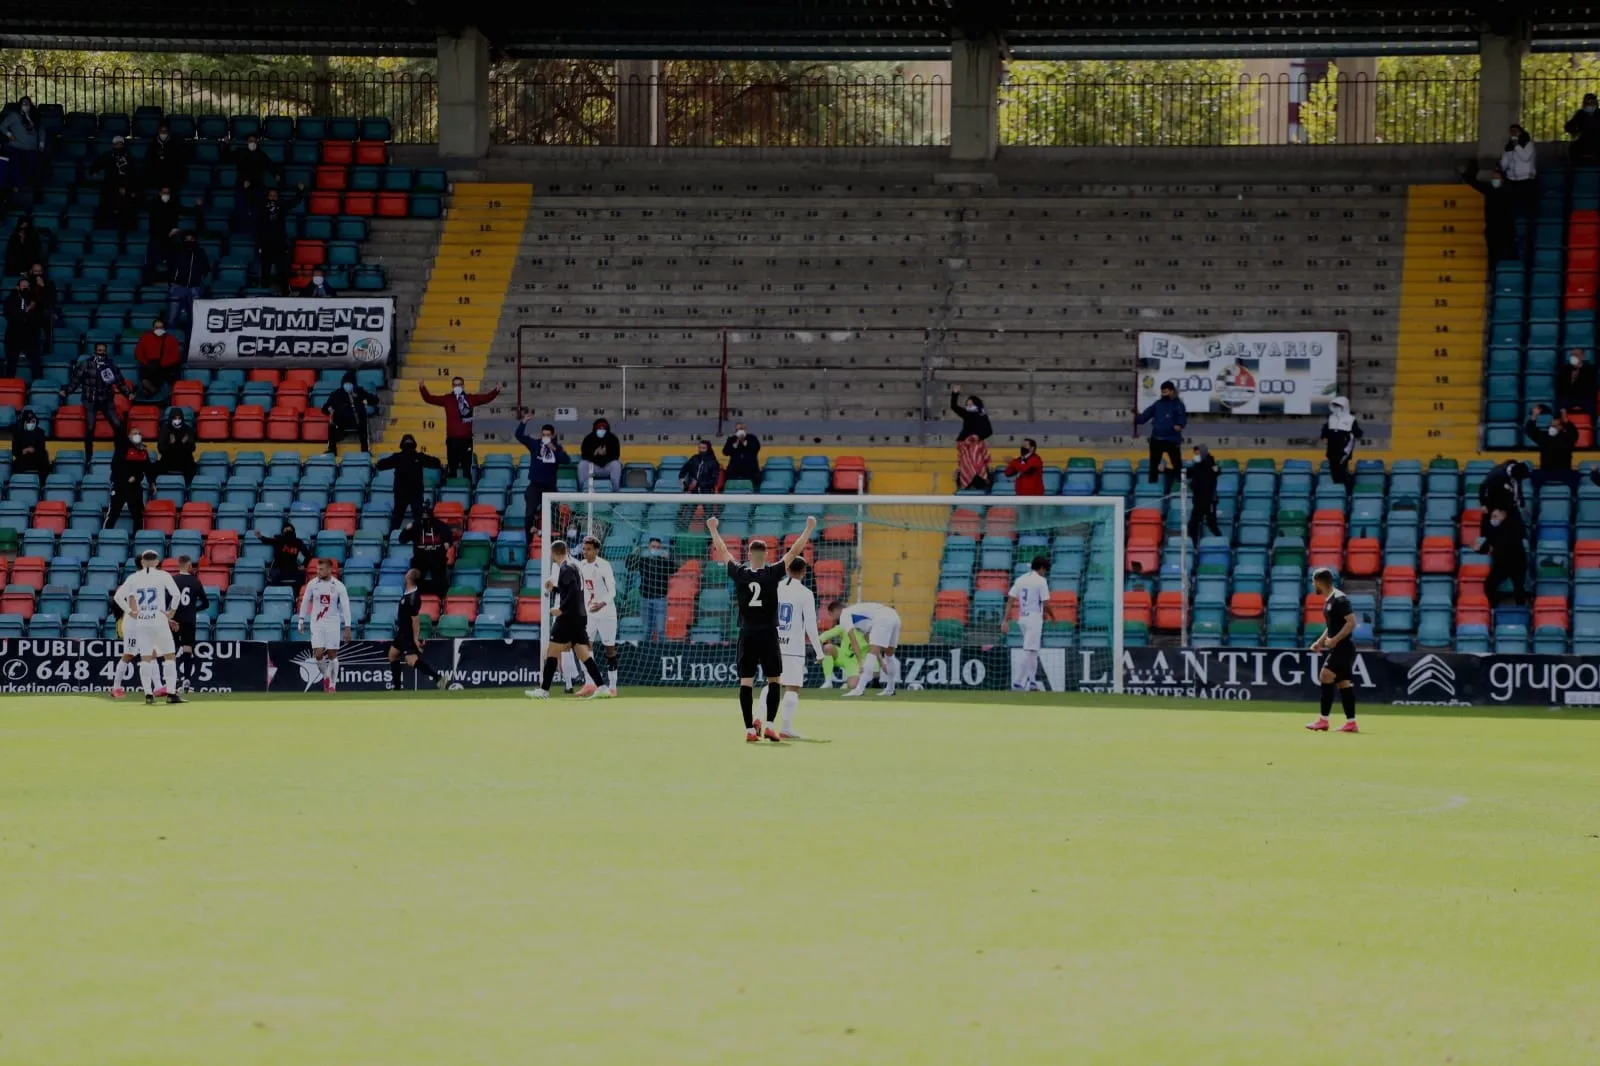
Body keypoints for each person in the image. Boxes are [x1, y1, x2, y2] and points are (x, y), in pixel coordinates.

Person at [706, 514, 817, 741]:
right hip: (768, 634)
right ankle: (768, 725)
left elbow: (722, 550)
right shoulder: (772, 573)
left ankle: (749, 729)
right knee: (774, 680)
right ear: (766, 555)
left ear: (748, 555)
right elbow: (794, 552)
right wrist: (809, 529)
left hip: (747, 634)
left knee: (746, 682)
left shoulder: (740, 573)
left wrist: (713, 529)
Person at [525, 540, 611, 700]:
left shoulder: (566, 568)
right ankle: (602, 686)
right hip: (578, 617)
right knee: (584, 654)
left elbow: (572, 593)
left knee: (552, 651)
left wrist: (560, 610)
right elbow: (572, 590)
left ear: (554, 553)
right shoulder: (574, 567)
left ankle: (544, 690)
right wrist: (555, 589)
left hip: (567, 618)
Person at [113, 549, 184, 705]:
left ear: (143, 562)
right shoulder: (163, 575)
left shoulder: (133, 578)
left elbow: (118, 597)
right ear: (157, 562)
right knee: (169, 656)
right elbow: (176, 594)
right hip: (158, 619)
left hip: (142, 620)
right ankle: (171, 693)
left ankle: (148, 694)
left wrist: (130, 611)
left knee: (145, 658)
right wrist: (171, 611)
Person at [775, 557, 826, 739]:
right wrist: (819, 652)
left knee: (772, 683)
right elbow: (811, 625)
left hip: (773, 643)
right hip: (794, 646)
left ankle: (759, 720)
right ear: (804, 572)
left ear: (787, 569)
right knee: (792, 687)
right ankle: (786, 727)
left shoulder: (775, 587)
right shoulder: (805, 593)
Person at [1305, 568, 1358, 733]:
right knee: (1343, 684)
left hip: (1343, 648)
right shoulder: (1330, 600)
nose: (1313, 585)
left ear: (1319, 582)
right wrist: (1320, 642)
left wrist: (1334, 640)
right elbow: (1332, 627)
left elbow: (1351, 623)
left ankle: (1323, 720)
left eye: (1314, 582)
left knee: (1325, 675)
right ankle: (1351, 723)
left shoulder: (1340, 599)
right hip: (1341, 647)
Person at [419, 377, 499, 484]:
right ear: (452, 386)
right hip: (452, 441)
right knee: (452, 470)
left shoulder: (470, 399)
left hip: (466, 441)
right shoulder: (447, 399)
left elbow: (486, 398)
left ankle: (467, 493)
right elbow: (429, 399)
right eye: (455, 385)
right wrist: (422, 388)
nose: (457, 387)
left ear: (463, 386)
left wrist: (496, 390)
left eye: (459, 384)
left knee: (467, 471)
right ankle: (450, 494)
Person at [61, 343, 133, 459]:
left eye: (103, 351)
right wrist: (67, 391)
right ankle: (89, 456)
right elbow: (75, 381)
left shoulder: (110, 365)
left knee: (118, 425)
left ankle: (119, 453)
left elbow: (120, 382)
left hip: (107, 400)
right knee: (90, 428)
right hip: (90, 401)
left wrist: (128, 394)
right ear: (95, 351)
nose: (101, 353)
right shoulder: (85, 364)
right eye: (99, 350)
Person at [299, 558, 353, 693]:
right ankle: (326, 677)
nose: (318, 571)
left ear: (330, 570)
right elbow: (305, 602)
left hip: (333, 623)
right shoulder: (312, 584)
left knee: (332, 654)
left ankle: (332, 685)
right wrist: (301, 619)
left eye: (321, 569)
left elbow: (346, 607)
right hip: (317, 622)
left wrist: (347, 626)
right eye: (317, 569)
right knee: (318, 654)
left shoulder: (339, 586)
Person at [389, 568, 444, 691]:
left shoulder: (413, 597)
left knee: (411, 660)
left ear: (409, 577)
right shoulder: (408, 591)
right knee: (392, 655)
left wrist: (414, 638)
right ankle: (397, 688)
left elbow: (415, 620)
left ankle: (438, 678)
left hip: (407, 633)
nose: (406, 573)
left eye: (408, 572)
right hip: (401, 631)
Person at [578, 535, 620, 695]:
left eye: (588, 549)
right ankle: (590, 683)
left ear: (596, 550)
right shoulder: (581, 565)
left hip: (606, 613)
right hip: (590, 613)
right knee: (585, 645)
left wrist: (602, 603)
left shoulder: (604, 565)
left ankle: (613, 686)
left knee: (609, 649)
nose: (585, 552)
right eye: (584, 549)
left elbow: (612, 591)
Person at [838, 600, 905, 699]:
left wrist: (860, 662)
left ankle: (859, 689)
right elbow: (868, 638)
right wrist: (881, 662)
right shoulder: (860, 614)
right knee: (889, 655)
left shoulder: (844, 614)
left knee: (871, 654)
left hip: (882, 618)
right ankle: (890, 689)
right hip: (894, 616)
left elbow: (853, 641)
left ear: (835, 611)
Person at [1004, 555, 1052, 692]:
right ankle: (1017, 682)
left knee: (1033, 651)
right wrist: (1053, 617)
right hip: (1034, 619)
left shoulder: (1020, 579)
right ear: (1042, 568)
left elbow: (1010, 600)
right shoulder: (1041, 581)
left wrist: (1005, 620)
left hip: (1023, 618)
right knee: (1029, 649)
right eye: (1045, 570)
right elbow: (1046, 603)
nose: (1045, 572)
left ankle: (1032, 682)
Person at [515, 416, 569, 535]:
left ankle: (557, 540)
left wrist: (553, 448)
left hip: (550, 487)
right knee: (529, 514)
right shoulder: (535, 444)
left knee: (554, 516)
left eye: (548, 435)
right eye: (544, 434)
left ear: (553, 435)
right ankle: (528, 542)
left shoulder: (557, 448)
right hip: (535, 485)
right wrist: (523, 422)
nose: (546, 437)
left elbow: (566, 460)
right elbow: (519, 436)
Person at [377, 434, 442, 532]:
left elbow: (436, 463)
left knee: (413, 517)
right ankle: (395, 537)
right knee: (399, 518)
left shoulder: (412, 457)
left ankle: (416, 537)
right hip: (404, 493)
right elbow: (381, 465)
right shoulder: (401, 457)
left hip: (413, 493)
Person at [1135, 379, 1187, 491]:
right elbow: (1144, 417)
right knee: (1153, 467)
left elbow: (1180, 423)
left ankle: (1180, 488)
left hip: (1172, 440)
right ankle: (1152, 489)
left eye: (1166, 392)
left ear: (1172, 391)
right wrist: (1136, 416)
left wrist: (1174, 427)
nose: (1164, 394)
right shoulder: (1157, 404)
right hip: (1157, 439)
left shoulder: (1178, 405)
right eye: (1162, 392)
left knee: (1177, 466)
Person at [254, 183, 305, 294]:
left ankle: (285, 292)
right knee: (265, 269)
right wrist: (247, 190)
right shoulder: (261, 206)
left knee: (282, 270)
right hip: (265, 243)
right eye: (270, 195)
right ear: (267, 196)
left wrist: (300, 192)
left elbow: (293, 202)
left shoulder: (282, 206)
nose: (272, 197)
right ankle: (263, 292)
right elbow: (251, 200)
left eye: (275, 195)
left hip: (279, 243)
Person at [1461, 164, 1518, 262]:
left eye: (1497, 177)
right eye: (1494, 178)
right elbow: (1475, 183)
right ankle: (1492, 273)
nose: (1495, 179)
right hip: (1492, 228)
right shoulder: (1489, 190)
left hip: (1506, 227)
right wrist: (1469, 173)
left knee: (1510, 251)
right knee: (1492, 255)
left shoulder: (1508, 190)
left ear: (1503, 179)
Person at [171, 555, 209, 695]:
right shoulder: (195, 582)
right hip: (189, 620)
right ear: (188, 566)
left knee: (172, 651)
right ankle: (186, 681)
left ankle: (172, 682)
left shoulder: (173, 581)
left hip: (174, 620)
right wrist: (193, 609)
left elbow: (166, 600)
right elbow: (206, 603)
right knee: (187, 650)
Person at [399, 502, 454, 598]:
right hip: (419, 561)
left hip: (437, 560)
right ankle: (411, 601)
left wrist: (447, 544)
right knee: (410, 576)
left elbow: (449, 538)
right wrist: (406, 530)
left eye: (427, 515)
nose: (425, 518)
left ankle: (441, 601)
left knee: (440, 582)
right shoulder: (415, 526)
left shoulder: (440, 526)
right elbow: (402, 540)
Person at [105, 427, 156, 530]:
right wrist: (126, 478)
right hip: (120, 486)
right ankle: (105, 535)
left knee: (138, 515)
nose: (137, 435)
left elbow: (148, 469)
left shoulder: (143, 452)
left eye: (139, 433)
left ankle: (137, 538)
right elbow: (114, 466)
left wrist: (152, 483)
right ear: (129, 436)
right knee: (113, 514)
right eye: (134, 433)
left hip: (135, 487)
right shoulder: (122, 448)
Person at [625, 536, 673, 643]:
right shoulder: (643, 560)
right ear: (649, 547)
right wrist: (633, 553)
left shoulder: (663, 560)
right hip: (645, 599)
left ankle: (662, 652)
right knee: (647, 629)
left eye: (657, 547)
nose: (655, 549)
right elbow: (629, 566)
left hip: (660, 599)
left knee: (661, 630)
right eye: (653, 546)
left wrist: (668, 558)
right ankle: (645, 651)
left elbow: (674, 570)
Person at [1479, 506, 1528, 610]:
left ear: (1503, 515)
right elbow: (1483, 536)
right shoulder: (1492, 527)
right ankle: (1494, 609)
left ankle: (1521, 610)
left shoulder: (1513, 526)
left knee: (1519, 588)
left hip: (1517, 561)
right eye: (1492, 516)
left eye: (1496, 516)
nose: (1493, 519)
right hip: (1501, 564)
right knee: (1489, 585)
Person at [89, 134, 141, 230]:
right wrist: (94, 172)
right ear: (113, 145)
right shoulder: (107, 156)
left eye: (121, 144)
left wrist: (130, 190)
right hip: (110, 189)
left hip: (126, 191)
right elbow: (95, 167)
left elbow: (134, 176)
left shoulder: (129, 159)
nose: (119, 146)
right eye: (117, 144)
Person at [145, 187, 200, 277]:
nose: (166, 195)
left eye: (168, 193)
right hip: (157, 237)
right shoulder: (154, 204)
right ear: (160, 193)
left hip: (171, 238)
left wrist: (197, 206)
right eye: (164, 193)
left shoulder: (173, 204)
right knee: (153, 258)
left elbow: (186, 211)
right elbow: (155, 224)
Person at [322, 370, 379, 454]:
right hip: (341, 421)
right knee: (331, 425)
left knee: (364, 423)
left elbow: (375, 400)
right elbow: (324, 409)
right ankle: (332, 450)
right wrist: (329, 409)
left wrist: (367, 400)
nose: (347, 385)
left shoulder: (359, 392)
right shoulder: (336, 394)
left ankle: (365, 450)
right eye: (346, 383)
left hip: (357, 420)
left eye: (350, 384)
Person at [1525, 404, 1579, 492]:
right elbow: (1530, 430)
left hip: (1564, 472)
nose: (1552, 428)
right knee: (1534, 475)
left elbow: (1574, 433)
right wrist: (1534, 416)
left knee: (1575, 476)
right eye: (1551, 426)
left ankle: (1572, 498)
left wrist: (1566, 421)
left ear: (1562, 428)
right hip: (1546, 472)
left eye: (1555, 426)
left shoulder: (1567, 438)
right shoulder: (1544, 437)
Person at [166, 232, 211, 335]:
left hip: (194, 288)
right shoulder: (177, 250)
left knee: (194, 319)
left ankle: (191, 343)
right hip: (177, 287)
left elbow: (206, 268)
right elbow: (169, 263)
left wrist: (198, 277)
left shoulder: (200, 252)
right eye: (187, 239)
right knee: (172, 317)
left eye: (191, 239)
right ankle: (170, 342)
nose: (189, 241)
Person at [232, 132, 277, 231]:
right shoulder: (240, 152)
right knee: (240, 209)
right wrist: (225, 145)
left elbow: (270, 165)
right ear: (247, 142)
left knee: (257, 210)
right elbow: (227, 157)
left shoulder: (261, 155)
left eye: (254, 141)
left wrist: (276, 174)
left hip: (257, 185)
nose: (252, 143)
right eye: (250, 141)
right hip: (242, 185)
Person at [1477, 459, 1530, 543]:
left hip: (1510, 504)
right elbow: (1482, 487)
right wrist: (1483, 504)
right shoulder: (1497, 474)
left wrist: (1522, 502)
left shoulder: (1516, 467)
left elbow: (1518, 487)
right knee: (1491, 529)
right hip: (1495, 503)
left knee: (1519, 531)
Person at [3, 274, 42, 380]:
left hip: (30, 336)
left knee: (36, 362)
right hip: (14, 335)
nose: (25, 288)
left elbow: (37, 318)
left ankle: (37, 386)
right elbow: (11, 315)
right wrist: (27, 310)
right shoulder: (10, 300)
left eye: (27, 286)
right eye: (22, 286)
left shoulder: (35, 301)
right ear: (18, 287)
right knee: (11, 363)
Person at [133, 316, 182, 401]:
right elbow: (138, 353)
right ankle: (153, 390)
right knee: (143, 375)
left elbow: (175, 356)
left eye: (161, 327)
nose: (159, 329)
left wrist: (163, 364)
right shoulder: (145, 337)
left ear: (164, 328)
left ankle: (166, 396)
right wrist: (147, 363)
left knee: (171, 373)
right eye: (157, 327)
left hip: (166, 365)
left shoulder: (171, 339)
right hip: (149, 363)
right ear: (153, 328)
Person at [0, 97, 44, 190]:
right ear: (20, 105)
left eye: (27, 104)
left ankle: (30, 188)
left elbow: (41, 129)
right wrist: (10, 135)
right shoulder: (14, 116)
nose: (26, 106)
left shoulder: (34, 117)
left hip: (31, 148)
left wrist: (41, 142)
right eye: (24, 104)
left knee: (32, 167)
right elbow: (2, 127)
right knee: (16, 166)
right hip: (17, 146)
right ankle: (17, 186)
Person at [1321, 396, 1362, 487]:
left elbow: (1358, 433)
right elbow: (1325, 430)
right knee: (1333, 471)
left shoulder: (1351, 419)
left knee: (1342, 471)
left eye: (1338, 406)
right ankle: (1337, 490)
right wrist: (1324, 436)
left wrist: (1350, 435)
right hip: (1331, 450)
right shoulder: (1331, 418)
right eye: (1334, 406)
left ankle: (1344, 491)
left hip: (1344, 450)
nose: (1336, 408)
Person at [108, 587, 141, 700]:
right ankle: (116, 687)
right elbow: (133, 607)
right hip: (132, 625)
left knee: (151, 652)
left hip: (136, 624)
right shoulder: (133, 584)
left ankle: (158, 687)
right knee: (128, 655)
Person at [817, 619, 868, 690]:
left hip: (856, 662)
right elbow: (825, 635)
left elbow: (877, 649)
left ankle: (847, 684)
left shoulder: (869, 633)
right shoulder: (846, 626)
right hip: (842, 656)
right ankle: (828, 681)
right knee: (828, 647)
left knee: (853, 686)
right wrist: (818, 653)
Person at [1186, 443, 1222, 543]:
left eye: (1197, 453)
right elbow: (1188, 473)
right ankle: (1194, 547)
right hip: (1199, 501)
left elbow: (1216, 471)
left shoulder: (1209, 463)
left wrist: (1217, 470)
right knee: (1193, 525)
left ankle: (1222, 542)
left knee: (1212, 525)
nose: (1196, 455)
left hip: (1209, 501)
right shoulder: (1197, 465)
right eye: (1195, 453)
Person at [257, 523, 310, 588]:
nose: (287, 530)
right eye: (286, 529)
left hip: (292, 568)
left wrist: (304, 565)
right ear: (282, 532)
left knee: (302, 574)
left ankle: (296, 596)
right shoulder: (278, 539)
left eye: (289, 529)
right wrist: (260, 537)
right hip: (278, 568)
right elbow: (268, 540)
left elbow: (308, 555)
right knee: (274, 576)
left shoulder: (298, 542)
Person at [1500, 123, 1537, 214]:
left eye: (1515, 131)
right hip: (1512, 180)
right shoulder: (1509, 147)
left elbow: (1526, 157)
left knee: (1528, 207)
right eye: (1511, 132)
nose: (1513, 134)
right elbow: (1504, 163)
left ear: (1521, 132)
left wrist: (1517, 146)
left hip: (1526, 179)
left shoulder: (1528, 144)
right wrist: (1501, 165)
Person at [143, 122, 188, 193]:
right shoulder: (153, 146)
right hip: (156, 181)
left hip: (172, 181)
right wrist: (160, 187)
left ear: (169, 132)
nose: (163, 133)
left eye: (165, 131)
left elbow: (177, 167)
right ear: (158, 132)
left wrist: (168, 186)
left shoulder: (175, 145)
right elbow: (150, 166)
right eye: (161, 131)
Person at [579, 417, 623, 490]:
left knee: (616, 465)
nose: (601, 430)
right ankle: (583, 489)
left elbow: (616, 455)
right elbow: (584, 454)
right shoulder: (589, 438)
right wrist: (595, 453)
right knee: (582, 464)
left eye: (603, 429)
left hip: (607, 466)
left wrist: (606, 454)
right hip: (593, 466)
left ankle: (615, 491)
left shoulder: (613, 438)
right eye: (599, 428)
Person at [156, 408, 198, 484]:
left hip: (184, 460)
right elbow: (160, 448)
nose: (177, 420)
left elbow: (193, 448)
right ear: (171, 418)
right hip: (168, 459)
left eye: (179, 418)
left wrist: (184, 443)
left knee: (192, 466)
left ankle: (187, 488)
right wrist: (170, 444)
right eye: (175, 418)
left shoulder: (188, 429)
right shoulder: (165, 429)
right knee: (157, 465)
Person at [1557, 349, 1597, 420]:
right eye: (1572, 355)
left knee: (1592, 405)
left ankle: (1592, 427)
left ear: (1583, 357)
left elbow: (1592, 388)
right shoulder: (1564, 369)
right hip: (1569, 398)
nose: (1574, 357)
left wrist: (1578, 404)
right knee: (1560, 405)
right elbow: (1560, 388)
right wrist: (1572, 379)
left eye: (1577, 355)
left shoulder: (1590, 369)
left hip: (1584, 397)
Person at [27, 262, 58, 348]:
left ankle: (45, 348)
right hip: (30, 312)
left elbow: (51, 301)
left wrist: (43, 287)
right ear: (31, 272)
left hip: (44, 312)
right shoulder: (26, 284)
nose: (38, 274)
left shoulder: (50, 284)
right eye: (35, 271)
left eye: (40, 271)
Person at [721, 422, 761, 489]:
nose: (739, 431)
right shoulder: (732, 439)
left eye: (741, 429)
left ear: (745, 430)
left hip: (750, 470)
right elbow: (725, 452)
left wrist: (745, 443)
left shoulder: (752, 438)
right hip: (734, 471)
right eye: (737, 430)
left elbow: (756, 448)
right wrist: (734, 445)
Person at [10, 407, 48, 477]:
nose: (31, 423)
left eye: (33, 421)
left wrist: (33, 450)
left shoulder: (40, 432)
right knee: (15, 466)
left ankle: (42, 485)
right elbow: (15, 451)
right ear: (24, 422)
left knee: (44, 462)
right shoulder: (17, 433)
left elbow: (42, 448)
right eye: (28, 421)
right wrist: (24, 451)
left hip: (37, 458)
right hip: (23, 458)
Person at [1567, 92, 1600, 165]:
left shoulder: (1599, 114)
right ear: (1584, 103)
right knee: (1573, 149)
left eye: (1593, 102)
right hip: (1583, 141)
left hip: (1597, 142)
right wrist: (1574, 131)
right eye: (1588, 102)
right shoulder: (1580, 114)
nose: (1590, 105)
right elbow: (1570, 125)